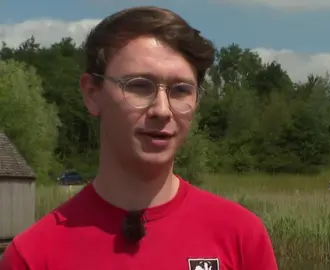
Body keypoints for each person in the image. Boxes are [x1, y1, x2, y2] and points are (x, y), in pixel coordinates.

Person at [0, 6, 277, 270]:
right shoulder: (33, 256)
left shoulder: (241, 237)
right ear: (92, 94)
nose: (162, 110)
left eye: (180, 90)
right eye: (139, 86)